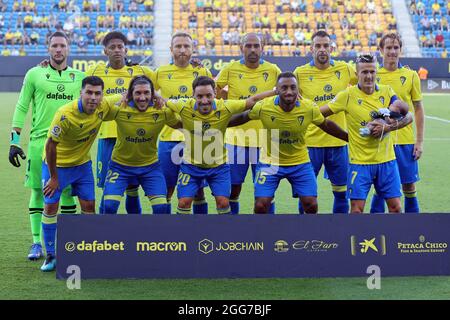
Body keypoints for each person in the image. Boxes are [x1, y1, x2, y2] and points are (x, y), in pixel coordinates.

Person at [9, 31, 84, 261]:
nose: (58, 50)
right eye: (54, 46)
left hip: (70, 145)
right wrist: (14, 141)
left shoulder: (80, 76)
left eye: (62, 45)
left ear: (68, 48)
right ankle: (36, 243)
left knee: (69, 193)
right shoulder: (34, 74)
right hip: (39, 143)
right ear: (48, 48)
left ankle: (67, 242)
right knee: (39, 192)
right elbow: (22, 106)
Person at [228, 72, 348, 214]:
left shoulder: (308, 107)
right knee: (261, 205)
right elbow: (243, 116)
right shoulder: (264, 107)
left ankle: (308, 235)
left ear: (298, 89)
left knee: (311, 205)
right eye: (284, 88)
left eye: (293, 87)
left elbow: (326, 124)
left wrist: (350, 138)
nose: (289, 91)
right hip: (269, 161)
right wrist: (219, 125)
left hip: (300, 162)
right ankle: (262, 235)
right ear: (277, 90)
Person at [40, 76, 121, 271]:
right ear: (81, 93)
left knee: (89, 206)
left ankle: (85, 251)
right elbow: (51, 145)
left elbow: (130, 95)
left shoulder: (103, 107)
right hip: (56, 165)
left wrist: (156, 97)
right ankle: (50, 254)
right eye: (89, 92)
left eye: (97, 93)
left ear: (102, 95)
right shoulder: (65, 114)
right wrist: (53, 177)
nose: (93, 97)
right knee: (51, 207)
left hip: (82, 166)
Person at [163, 76, 276, 215]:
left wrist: (276, 92)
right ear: (193, 95)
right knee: (183, 202)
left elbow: (252, 101)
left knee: (223, 202)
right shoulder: (183, 105)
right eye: (200, 96)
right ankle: (187, 234)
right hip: (190, 166)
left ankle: (225, 234)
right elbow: (164, 101)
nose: (204, 100)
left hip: (219, 167)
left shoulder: (225, 107)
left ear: (215, 94)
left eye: (208, 95)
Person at [320, 54, 413, 213]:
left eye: (372, 71)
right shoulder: (347, 95)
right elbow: (318, 116)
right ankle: (355, 238)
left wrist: (388, 128)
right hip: (360, 163)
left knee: (396, 208)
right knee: (356, 210)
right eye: (364, 72)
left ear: (376, 72)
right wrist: (345, 136)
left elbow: (408, 116)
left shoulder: (387, 92)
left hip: (386, 161)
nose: (369, 76)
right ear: (357, 74)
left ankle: (392, 238)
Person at [85, 31, 155, 215]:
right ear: (105, 51)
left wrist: (193, 63)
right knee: (109, 188)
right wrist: (47, 65)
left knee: (133, 188)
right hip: (108, 136)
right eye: (112, 47)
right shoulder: (95, 71)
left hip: (133, 137)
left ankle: (134, 230)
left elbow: (165, 78)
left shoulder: (140, 72)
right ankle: (104, 233)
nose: (117, 50)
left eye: (120, 47)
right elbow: (74, 81)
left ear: (126, 50)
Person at [215, 33, 281, 214]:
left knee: (266, 193)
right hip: (236, 140)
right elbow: (215, 90)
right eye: (248, 46)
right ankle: (234, 231)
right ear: (241, 48)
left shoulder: (273, 69)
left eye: (256, 46)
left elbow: (285, 90)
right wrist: (224, 101)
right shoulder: (230, 69)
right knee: (233, 190)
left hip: (266, 142)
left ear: (262, 47)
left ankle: (265, 233)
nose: (252, 49)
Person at [293, 30, 357, 214]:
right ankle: (305, 236)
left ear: (332, 48)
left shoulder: (344, 69)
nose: (322, 49)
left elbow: (366, 81)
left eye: (326, 46)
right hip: (309, 144)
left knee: (342, 193)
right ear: (311, 49)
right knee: (306, 196)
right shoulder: (300, 73)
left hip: (338, 142)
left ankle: (339, 233)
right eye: (318, 46)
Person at [102, 76, 180, 214]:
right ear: (131, 94)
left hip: (150, 167)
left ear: (152, 94)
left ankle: (159, 235)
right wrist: (121, 96)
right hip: (120, 167)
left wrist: (162, 99)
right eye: (138, 93)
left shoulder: (162, 111)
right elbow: (98, 108)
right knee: (109, 206)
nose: (142, 98)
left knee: (161, 206)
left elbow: (183, 124)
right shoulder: (120, 109)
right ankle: (106, 234)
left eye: (147, 93)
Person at [370, 33, 425, 214]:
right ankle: (373, 230)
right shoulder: (372, 74)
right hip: (380, 141)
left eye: (395, 48)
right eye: (388, 48)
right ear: (380, 50)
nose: (392, 52)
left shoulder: (410, 75)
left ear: (400, 50)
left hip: (404, 141)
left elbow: (418, 108)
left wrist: (419, 141)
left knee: (409, 187)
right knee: (380, 188)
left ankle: (411, 230)